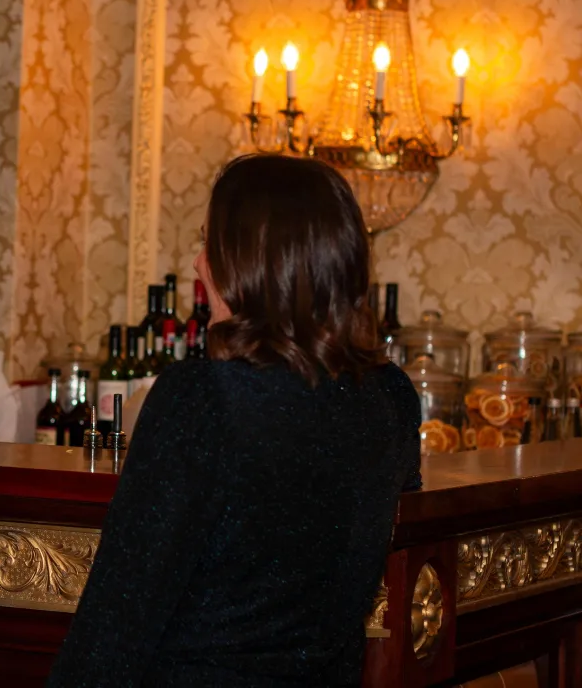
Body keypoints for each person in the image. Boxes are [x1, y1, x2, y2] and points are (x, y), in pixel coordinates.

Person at [48, 154, 421, 687]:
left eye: (211, 242)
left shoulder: (203, 398)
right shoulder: (392, 396)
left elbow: (118, 621)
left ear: (247, 260)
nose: (200, 264)